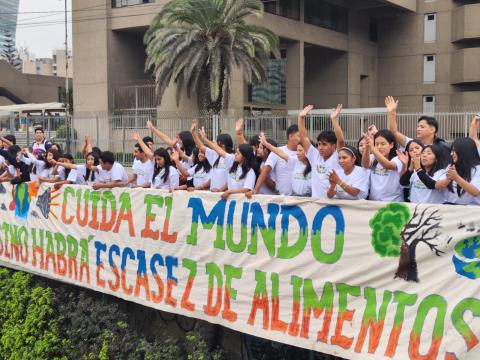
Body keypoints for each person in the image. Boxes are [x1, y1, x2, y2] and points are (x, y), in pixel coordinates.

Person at [298, 104, 345, 199]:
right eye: (319, 144)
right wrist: (301, 118)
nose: (320, 147)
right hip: (315, 204)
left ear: (333, 146)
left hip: (333, 204)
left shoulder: (338, 156)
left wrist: (334, 120)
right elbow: (303, 137)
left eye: (324, 144)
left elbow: (341, 140)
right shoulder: (314, 155)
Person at [386, 96, 450, 161]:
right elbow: (393, 132)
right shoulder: (411, 143)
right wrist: (392, 113)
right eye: (418, 126)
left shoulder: (442, 147)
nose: (418, 129)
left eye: (422, 127)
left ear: (432, 129)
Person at [200, 127, 256, 199]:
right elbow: (219, 150)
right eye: (236, 152)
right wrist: (220, 190)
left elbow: (246, 189)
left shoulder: (250, 172)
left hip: (240, 202)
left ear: (244, 156)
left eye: (238, 153)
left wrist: (230, 192)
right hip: (229, 200)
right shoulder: (234, 165)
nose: (235, 154)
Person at [248, 124, 300, 197]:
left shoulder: (304, 154)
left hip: (299, 200)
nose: (302, 139)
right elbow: (265, 171)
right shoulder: (277, 151)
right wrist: (255, 190)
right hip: (280, 198)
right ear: (290, 136)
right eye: (299, 136)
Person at [259, 133, 312, 197]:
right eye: (297, 151)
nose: (297, 153)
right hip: (295, 198)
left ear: (308, 151)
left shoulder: (314, 165)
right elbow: (281, 153)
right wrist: (266, 144)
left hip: (309, 199)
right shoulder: (295, 163)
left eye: (300, 151)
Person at [362, 129, 404, 202]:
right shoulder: (373, 157)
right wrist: (368, 147)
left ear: (391, 145)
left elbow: (389, 165)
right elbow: (365, 165)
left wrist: (372, 147)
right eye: (376, 144)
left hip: (393, 203)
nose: (379, 147)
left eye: (383, 144)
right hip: (374, 203)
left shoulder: (398, 158)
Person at [191, 121, 233, 192]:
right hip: (213, 194)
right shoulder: (215, 155)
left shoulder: (231, 157)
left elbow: (231, 179)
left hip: (224, 194)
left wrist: (220, 190)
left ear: (222, 146)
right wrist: (193, 133)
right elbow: (201, 146)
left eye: (216, 143)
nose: (214, 144)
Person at [446, 137, 480, 205]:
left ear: (464, 151)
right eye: (451, 151)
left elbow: (475, 192)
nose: (451, 154)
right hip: (449, 209)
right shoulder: (450, 166)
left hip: (471, 211)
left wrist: (456, 177)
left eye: (454, 151)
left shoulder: (478, 169)